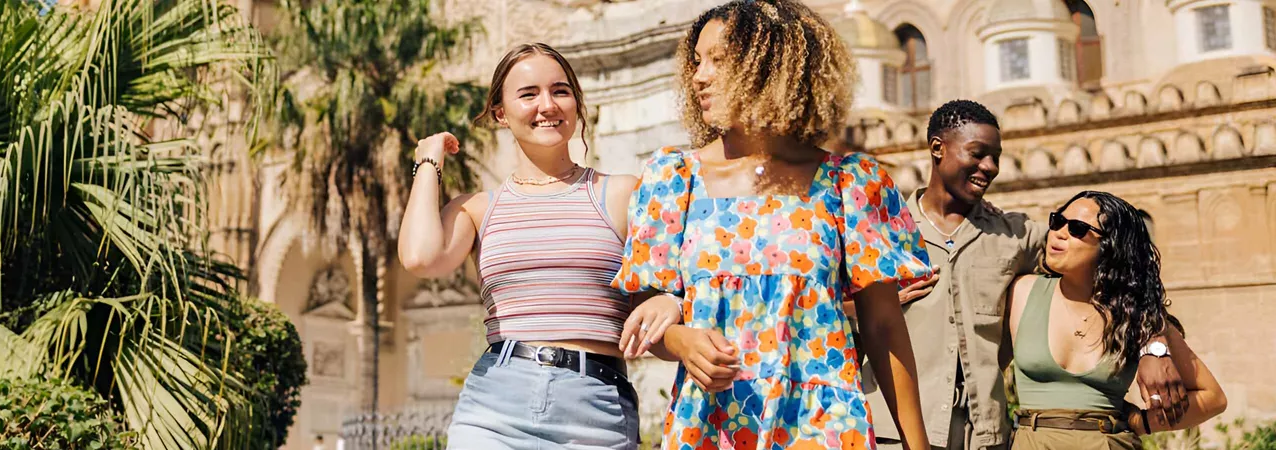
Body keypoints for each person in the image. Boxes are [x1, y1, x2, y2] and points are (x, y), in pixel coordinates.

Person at [616, 1, 932, 448]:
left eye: (719, 62)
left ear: (772, 68)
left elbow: (883, 327)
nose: (699, 76)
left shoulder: (851, 183)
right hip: (712, 424)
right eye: (697, 61)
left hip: (823, 424)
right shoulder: (672, 180)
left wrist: (916, 445)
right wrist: (682, 341)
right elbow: (650, 319)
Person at [862, 101, 1190, 450]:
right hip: (892, 433)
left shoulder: (1016, 236)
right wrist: (865, 305)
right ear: (937, 149)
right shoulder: (883, 233)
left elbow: (1119, 267)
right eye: (977, 154)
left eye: (996, 157)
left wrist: (1154, 344)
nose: (989, 167)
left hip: (983, 438)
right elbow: (814, 307)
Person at [397, 43, 678, 449]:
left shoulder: (621, 193)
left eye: (560, 91)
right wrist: (428, 161)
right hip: (493, 406)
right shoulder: (479, 209)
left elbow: (663, 301)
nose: (547, 104)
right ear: (500, 113)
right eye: (528, 94)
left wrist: (672, 302)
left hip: (596, 409)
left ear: (576, 104)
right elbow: (420, 257)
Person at [1005, 191, 1227, 449]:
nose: (1059, 233)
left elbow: (1213, 398)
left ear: (1109, 247)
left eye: (1077, 229)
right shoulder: (1023, 291)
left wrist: (1143, 423)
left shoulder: (1137, 316)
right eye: (1057, 221)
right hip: (1032, 441)